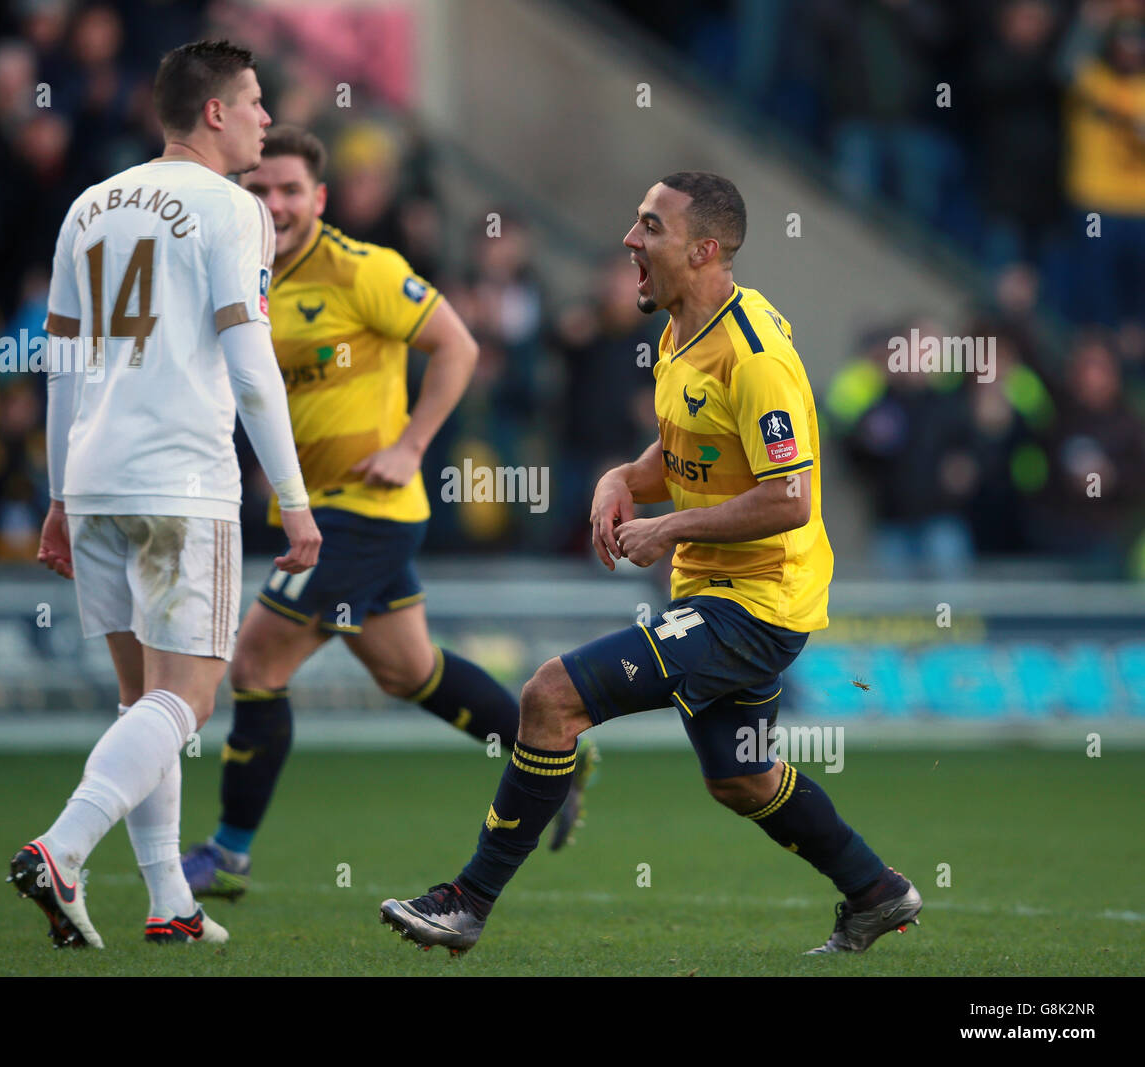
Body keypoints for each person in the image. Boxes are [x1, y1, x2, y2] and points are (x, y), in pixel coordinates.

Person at [380, 172, 921, 956]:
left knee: (550, 696)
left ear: (703, 250)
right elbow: (684, 450)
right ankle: (876, 892)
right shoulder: (679, 331)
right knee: (741, 777)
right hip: (722, 589)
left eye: (649, 227)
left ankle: (466, 900)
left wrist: (668, 529)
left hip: (757, 601)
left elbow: (791, 498)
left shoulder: (755, 355)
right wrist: (621, 479)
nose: (630, 240)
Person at [181, 126, 596, 901]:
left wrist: (410, 445)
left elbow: (459, 346)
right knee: (410, 670)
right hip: (313, 509)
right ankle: (550, 749)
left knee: (256, 665)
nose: (275, 204)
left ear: (320, 198)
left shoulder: (360, 268)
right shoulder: (239, 274)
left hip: (363, 512)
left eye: (291, 191)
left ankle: (228, 854)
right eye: (260, 189)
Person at [9, 40, 321, 948]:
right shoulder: (235, 210)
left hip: (97, 477)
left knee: (143, 699)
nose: (267, 117)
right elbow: (251, 362)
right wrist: (294, 499)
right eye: (256, 100)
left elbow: (59, 364)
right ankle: (62, 849)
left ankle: (170, 903)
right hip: (183, 482)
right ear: (214, 112)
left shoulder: (86, 208)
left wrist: (61, 494)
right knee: (185, 699)